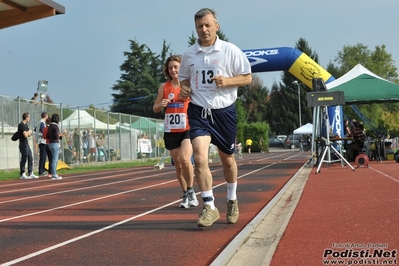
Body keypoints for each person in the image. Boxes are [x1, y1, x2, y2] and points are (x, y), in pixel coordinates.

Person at [179, 8, 252, 227]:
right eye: (200, 26)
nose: (204, 30)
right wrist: (184, 89)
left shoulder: (230, 51)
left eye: (207, 25)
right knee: (199, 157)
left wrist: (228, 82)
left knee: (227, 159)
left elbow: (247, 78)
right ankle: (209, 206)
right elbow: (183, 79)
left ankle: (231, 199)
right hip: (199, 111)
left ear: (216, 27)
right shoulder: (189, 55)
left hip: (224, 112)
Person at [153, 55, 199, 209]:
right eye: (171, 67)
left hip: (187, 128)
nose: (173, 70)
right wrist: (161, 103)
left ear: (182, 68)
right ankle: (185, 192)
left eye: (176, 67)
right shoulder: (164, 87)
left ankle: (191, 191)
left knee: (185, 159)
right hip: (171, 130)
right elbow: (155, 108)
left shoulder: (189, 85)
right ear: (168, 70)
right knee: (178, 165)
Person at [18, 112, 38, 179]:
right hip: (23, 144)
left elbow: (29, 133)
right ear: (26, 117)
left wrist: (28, 133)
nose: (29, 119)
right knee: (24, 158)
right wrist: (28, 133)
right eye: (29, 117)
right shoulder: (21, 125)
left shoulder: (26, 125)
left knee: (30, 157)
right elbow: (26, 135)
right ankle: (22, 173)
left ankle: (30, 172)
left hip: (27, 144)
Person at [47, 113, 63, 180]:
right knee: (54, 159)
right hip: (55, 143)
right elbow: (56, 135)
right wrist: (60, 135)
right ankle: (54, 174)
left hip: (50, 143)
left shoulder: (50, 126)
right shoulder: (56, 126)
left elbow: (47, 135)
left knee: (53, 159)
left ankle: (53, 173)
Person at [36, 111, 48, 176]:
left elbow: (35, 129)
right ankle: (41, 171)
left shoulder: (39, 122)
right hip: (42, 141)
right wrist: (46, 135)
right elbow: (42, 130)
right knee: (43, 156)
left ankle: (42, 169)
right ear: (46, 116)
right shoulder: (42, 122)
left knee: (43, 156)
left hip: (41, 140)